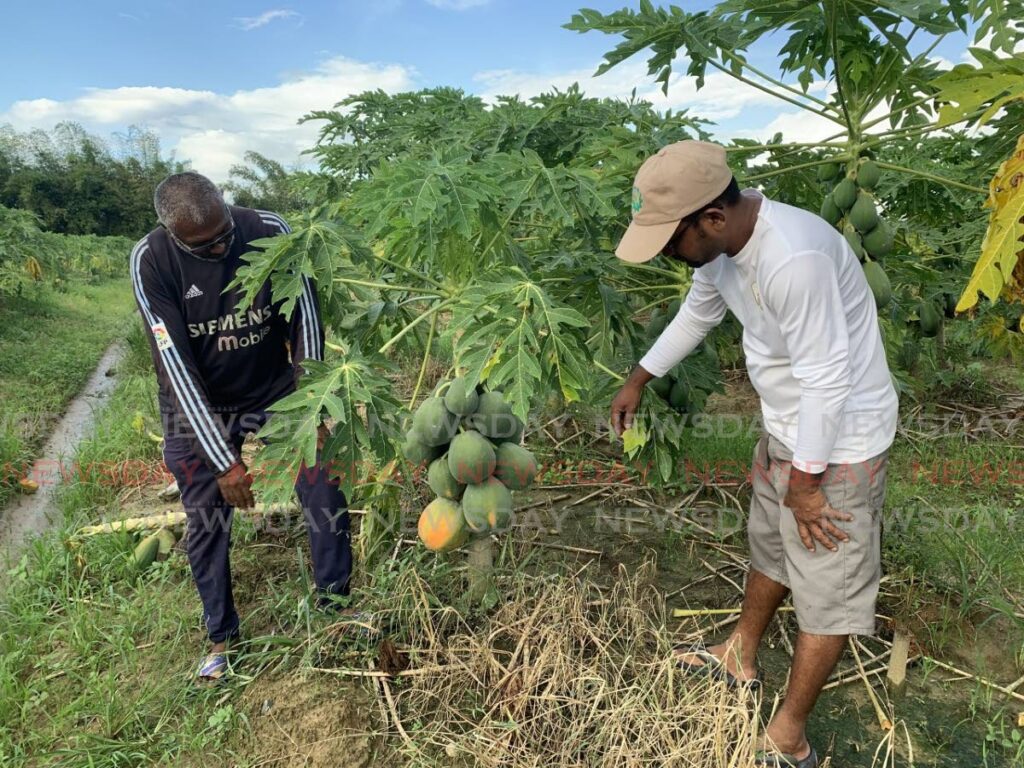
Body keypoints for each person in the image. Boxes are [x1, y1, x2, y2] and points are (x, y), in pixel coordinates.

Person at [609, 141, 897, 768]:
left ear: (711, 217)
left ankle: (789, 736)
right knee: (770, 544)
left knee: (828, 588)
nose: (664, 252)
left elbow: (828, 380)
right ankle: (740, 653)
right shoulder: (720, 253)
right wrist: (639, 377)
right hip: (791, 430)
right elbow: (697, 315)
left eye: (668, 239)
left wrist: (807, 484)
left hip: (840, 445)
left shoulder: (795, 258)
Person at [130, 171, 351, 681]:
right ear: (172, 234)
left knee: (324, 486)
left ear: (228, 208)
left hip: (274, 387)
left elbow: (306, 316)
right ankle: (221, 636)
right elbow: (175, 365)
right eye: (204, 247)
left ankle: (337, 607)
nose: (221, 249)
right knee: (206, 517)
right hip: (198, 403)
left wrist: (312, 405)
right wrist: (223, 460)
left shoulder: (269, 228)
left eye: (225, 234)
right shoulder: (152, 260)